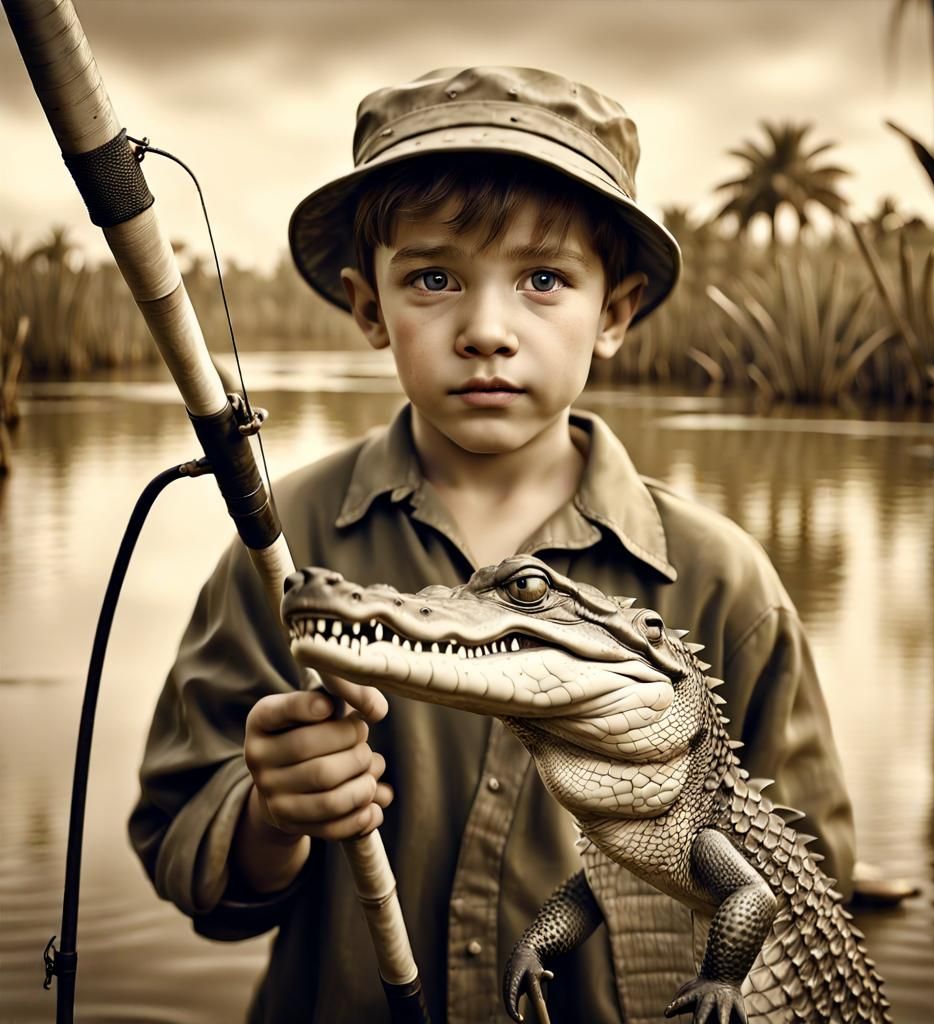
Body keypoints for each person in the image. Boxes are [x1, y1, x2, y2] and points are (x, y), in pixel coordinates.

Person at [129, 66, 855, 1024]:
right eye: (434, 278)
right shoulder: (285, 541)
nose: (485, 331)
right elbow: (186, 856)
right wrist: (271, 816)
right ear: (368, 307)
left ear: (617, 313)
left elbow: (808, 904)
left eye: (543, 280)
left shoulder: (725, 581)